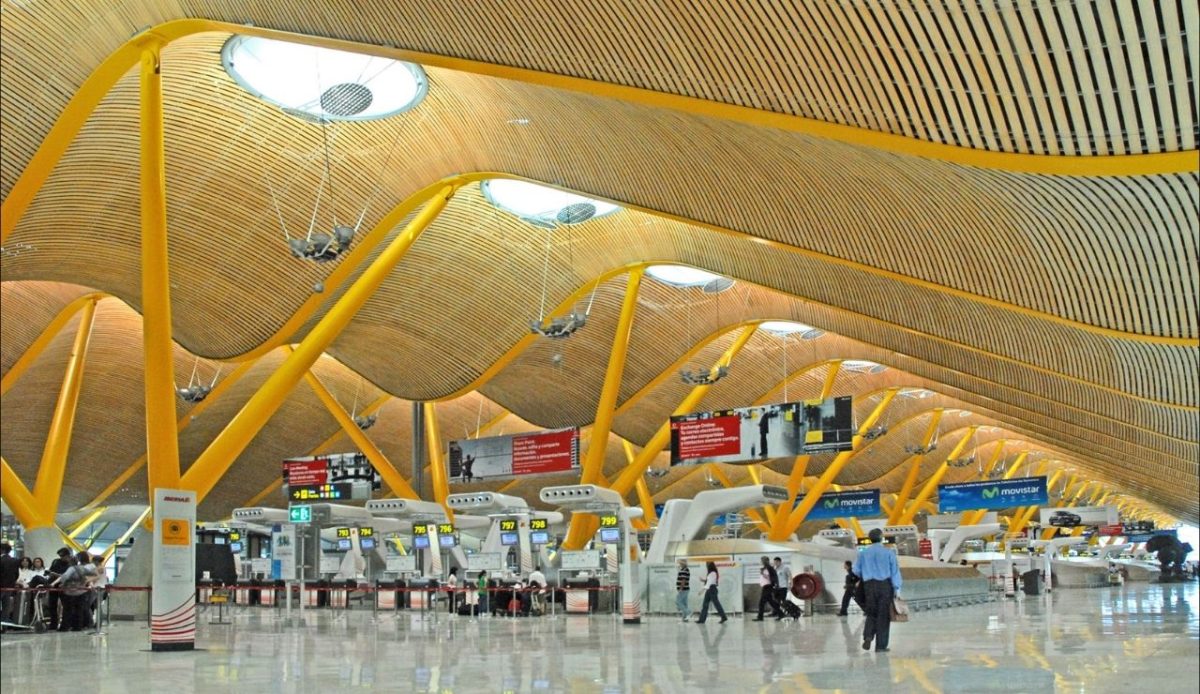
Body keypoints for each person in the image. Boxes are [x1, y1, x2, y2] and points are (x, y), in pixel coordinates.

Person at [853, 528, 902, 653]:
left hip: (869, 585)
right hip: (884, 585)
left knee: (871, 612)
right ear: (881, 537)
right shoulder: (888, 553)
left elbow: (856, 570)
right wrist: (897, 588)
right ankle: (881, 646)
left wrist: (865, 574)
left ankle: (868, 636)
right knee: (883, 615)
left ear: (870, 538)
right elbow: (894, 571)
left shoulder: (863, 553)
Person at [45, 547, 74, 631]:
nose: (62, 558)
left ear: (68, 556)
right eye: (61, 556)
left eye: (64, 556)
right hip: (53, 586)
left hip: (64, 586)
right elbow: (51, 571)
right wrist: (50, 574)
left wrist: (55, 574)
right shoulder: (56, 562)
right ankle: (53, 624)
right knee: (52, 605)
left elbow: (65, 576)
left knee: (66, 606)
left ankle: (65, 625)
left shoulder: (71, 565)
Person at [754, 556, 783, 621]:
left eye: (761, 561)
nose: (761, 562)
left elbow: (771, 578)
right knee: (771, 602)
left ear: (764, 561)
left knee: (761, 603)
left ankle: (760, 617)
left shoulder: (770, 568)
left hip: (768, 587)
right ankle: (781, 614)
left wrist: (763, 574)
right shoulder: (765, 568)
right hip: (765, 587)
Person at [0, 543, 19, 629]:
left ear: (2, 550)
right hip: (9, 587)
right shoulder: (14, 560)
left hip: (1, 587)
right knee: (6, 607)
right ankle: (4, 627)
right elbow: (16, 574)